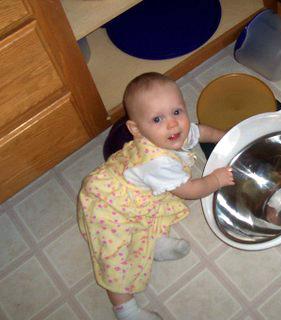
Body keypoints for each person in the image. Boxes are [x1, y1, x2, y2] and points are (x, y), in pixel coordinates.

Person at [77, 72, 234, 320]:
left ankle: (155, 243)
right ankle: (126, 311)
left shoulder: (175, 133)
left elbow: (201, 132)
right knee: (114, 258)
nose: (173, 124)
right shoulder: (156, 162)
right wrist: (215, 180)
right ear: (136, 130)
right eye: (158, 119)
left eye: (177, 112)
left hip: (132, 191)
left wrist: (226, 137)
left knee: (158, 208)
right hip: (107, 204)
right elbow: (190, 190)